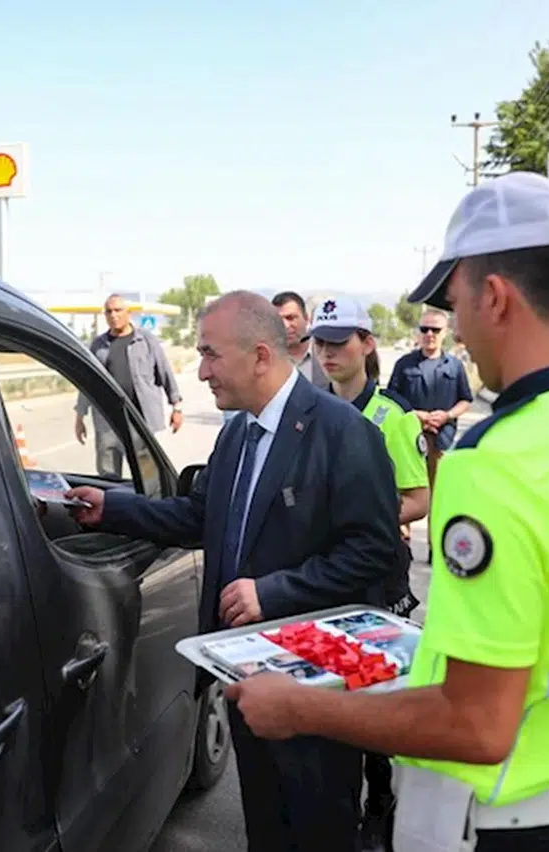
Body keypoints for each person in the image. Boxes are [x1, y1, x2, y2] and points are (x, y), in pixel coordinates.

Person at [224, 172, 549, 852]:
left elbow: (476, 726)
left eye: (456, 303)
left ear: (496, 297)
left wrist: (298, 706)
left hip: (501, 826)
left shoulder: (498, 462)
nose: (459, 329)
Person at [65, 290, 404, 852]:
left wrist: (273, 592)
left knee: (320, 832)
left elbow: (373, 552)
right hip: (248, 681)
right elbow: (203, 516)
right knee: (267, 830)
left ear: (262, 356)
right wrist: (115, 508)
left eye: (210, 355)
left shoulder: (344, 433)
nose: (200, 372)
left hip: (315, 688)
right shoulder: (237, 433)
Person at [308, 295, 430, 851]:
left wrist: (361, 519)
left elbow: (418, 497)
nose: (329, 352)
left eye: (341, 341)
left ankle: (380, 807)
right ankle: (336, 800)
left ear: (368, 344)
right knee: (330, 686)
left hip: (375, 575)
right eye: (321, 342)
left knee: (374, 694)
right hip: (322, 571)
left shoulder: (392, 414)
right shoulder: (308, 408)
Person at [74, 294, 184, 477]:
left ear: (128, 313)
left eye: (118, 310)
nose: (113, 315)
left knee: (147, 476)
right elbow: (88, 381)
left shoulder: (147, 341)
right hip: (108, 422)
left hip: (140, 421)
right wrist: (80, 416)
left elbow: (165, 373)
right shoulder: (98, 345)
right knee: (108, 475)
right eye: (109, 311)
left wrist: (177, 408)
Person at [386, 308, 474, 488]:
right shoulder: (404, 364)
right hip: (409, 438)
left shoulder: (455, 366)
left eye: (435, 330)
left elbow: (466, 400)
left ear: (446, 332)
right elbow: (391, 399)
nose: (429, 334)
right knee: (408, 492)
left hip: (442, 440)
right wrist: (416, 415)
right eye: (424, 329)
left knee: (439, 492)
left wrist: (447, 415)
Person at [272, 290, 332, 389]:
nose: (285, 325)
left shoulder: (328, 352)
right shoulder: (269, 360)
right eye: (279, 320)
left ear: (306, 318)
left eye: (290, 318)